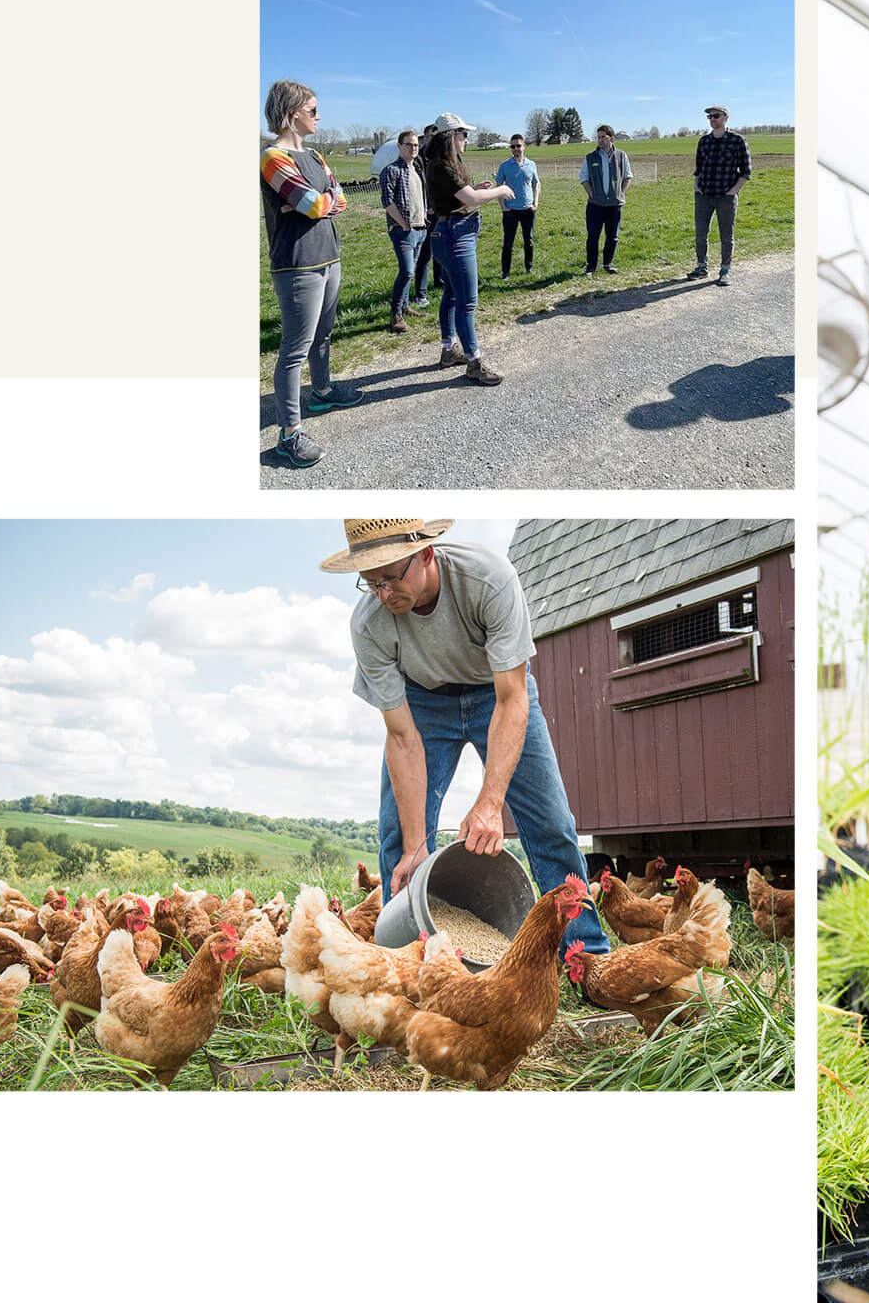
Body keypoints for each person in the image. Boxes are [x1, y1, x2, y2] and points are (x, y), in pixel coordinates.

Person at [324, 518, 610, 959]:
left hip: (496, 691)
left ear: (425, 554)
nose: (383, 594)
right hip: (423, 700)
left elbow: (512, 696)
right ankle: (408, 961)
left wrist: (491, 802)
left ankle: (585, 955)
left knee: (551, 822)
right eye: (371, 583)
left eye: (391, 578)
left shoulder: (487, 579)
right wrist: (417, 843)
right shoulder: (368, 625)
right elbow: (402, 739)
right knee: (399, 838)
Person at [260, 79, 363, 468]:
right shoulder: (271, 157)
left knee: (324, 335)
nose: (319, 117)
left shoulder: (316, 156)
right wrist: (318, 203)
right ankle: (289, 435)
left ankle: (322, 392)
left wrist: (318, 203)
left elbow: (336, 200)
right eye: (313, 110)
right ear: (291, 114)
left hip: (328, 257)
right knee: (294, 350)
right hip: (297, 264)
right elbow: (315, 203)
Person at [420, 112, 513, 386]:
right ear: (450, 136)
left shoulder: (447, 162)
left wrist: (477, 189)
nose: (466, 139)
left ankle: (449, 350)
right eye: (463, 134)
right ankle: (474, 361)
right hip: (455, 237)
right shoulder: (442, 165)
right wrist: (499, 190)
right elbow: (470, 198)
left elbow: (463, 195)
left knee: (451, 295)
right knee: (467, 302)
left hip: (450, 234)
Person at [689, 104, 750, 286]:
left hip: (726, 197)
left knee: (726, 235)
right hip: (704, 196)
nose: (712, 119)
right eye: (710, 117)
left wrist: (733, 192)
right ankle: (701, 267)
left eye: (716, 116)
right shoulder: (704, 141)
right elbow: (698, 168)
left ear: (725, 117)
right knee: (701, 234)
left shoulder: (737, 140)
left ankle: (724, 271)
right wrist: (696, 186)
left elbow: (746, 171)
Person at [378, 129, 427, 334]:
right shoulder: (391, 170)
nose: (413, 148)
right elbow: (387, 202)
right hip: (403, 230)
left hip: (420, 228)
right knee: (406, 271)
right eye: (409, 144)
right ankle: (395, 315)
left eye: (415, 145)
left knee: (411, 271)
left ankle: (405, 306)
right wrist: (403, 224)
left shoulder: (416, 168)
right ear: (399, 146)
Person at [579, 123, 631, 273]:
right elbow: (583, 178)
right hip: (595, 205)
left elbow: (628, 176)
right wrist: (592, 194)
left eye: (603, 137)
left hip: (614, 205)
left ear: (611, 138)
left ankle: (608, 264)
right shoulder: (590, 157)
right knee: (593, 237)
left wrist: (621, 193)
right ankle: (591, 267)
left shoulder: (621, 156)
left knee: (612, 237)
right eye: (598, 137)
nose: (600, 140)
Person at [495, 134, 540, 278]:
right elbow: (499, 186)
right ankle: (505, 272)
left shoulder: (531, 165)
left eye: (518, 145)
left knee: (529, 241)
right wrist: (503, 207)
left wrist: (535, 203)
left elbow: (536, 183)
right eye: (512, 146)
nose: (516, 149)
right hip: (510, 211)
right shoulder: (504, 165)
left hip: (528, 209)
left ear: (524, 146)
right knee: (508, 243)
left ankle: (529, 268)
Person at [411, 121, 444, 309]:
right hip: (426, 213)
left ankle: (439, 281)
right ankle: (420, 293)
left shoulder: (441, 157)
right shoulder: (419, 159)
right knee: (425, 255)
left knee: (440, 249)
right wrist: (428, 206)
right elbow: (420, 187)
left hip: (441, 211)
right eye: (430, 137)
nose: (433, 140)